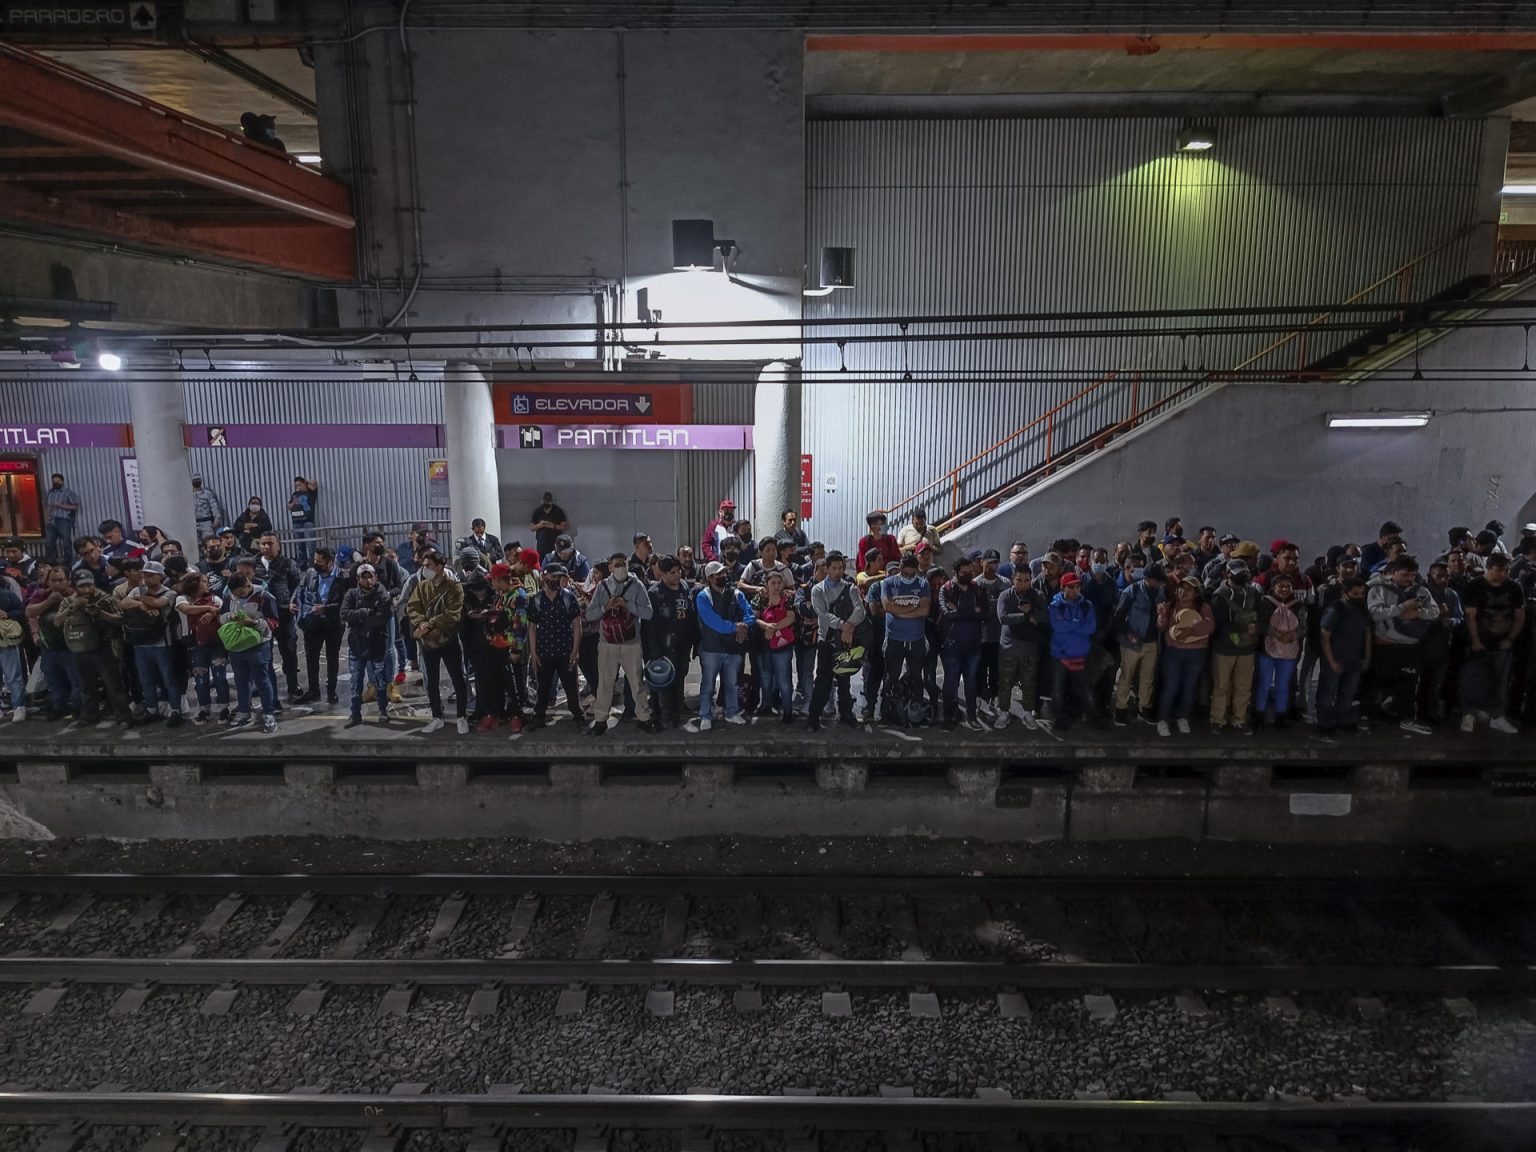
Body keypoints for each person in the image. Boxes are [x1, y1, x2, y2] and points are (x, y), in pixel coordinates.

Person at [1367, 555, 1438, 735]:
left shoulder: (1421, 590)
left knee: (1409, 683)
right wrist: (1401, 608)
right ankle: (1368, 718)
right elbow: (1374, 613)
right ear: (1392, 573)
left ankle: (1407, 719)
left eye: (1413, 575)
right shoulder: (1378, 589)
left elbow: (1435, 612)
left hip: (1411, 646)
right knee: (1377, 683)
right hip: (1386, 644)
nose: (1410, 579)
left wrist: (1418, 613)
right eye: (1405, 575)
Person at [585, 552, 654, 735]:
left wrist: (627, 605)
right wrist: (605, 608)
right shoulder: (602, 587)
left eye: (623, 564)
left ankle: (644, 718)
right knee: (605, 683)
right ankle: (601, 720)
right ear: (610, 567)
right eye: (617, 564)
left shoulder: (637, 585)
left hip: (631, 642)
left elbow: (648, 613)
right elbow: (589, 615)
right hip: (607, 643)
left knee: (637, 682)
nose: (621, 567)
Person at [1460, 553, 1524, 734]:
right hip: (1479, 640)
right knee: (1473, 678)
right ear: (1489, 568)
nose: (1503, 574)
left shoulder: (1513, 588)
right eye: (1499, 570)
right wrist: (1475, 640)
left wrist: (1510, 638)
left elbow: (1519, 616)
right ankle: (1469, 714)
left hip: (1502, 641)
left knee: (1500, 680)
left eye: (1506, 570)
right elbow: (1470, 616)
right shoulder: (1475, 586)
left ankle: (1496, 716)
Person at [407, 548, 469, 735]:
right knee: (431, 681)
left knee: (458, 678)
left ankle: (461, 716)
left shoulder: (454, 586)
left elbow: (453, 614)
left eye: (429, 565)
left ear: (440, 566)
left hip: (448, 639)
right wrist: (420, 624)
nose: (425, 568)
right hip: (428, 643)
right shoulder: (422, 586)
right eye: (424, 565)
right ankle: (437, 717)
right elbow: (412, 607)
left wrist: (428, 624)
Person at [806, 551, 866, 732]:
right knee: (822, 681)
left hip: (847, 642)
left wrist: (849, 626)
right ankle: (813, 717)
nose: (838, 571)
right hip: (827, 641)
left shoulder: (851, 588)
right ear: (827, 569)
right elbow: (822, 614)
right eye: (834, 568)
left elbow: (860, 611)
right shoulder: (817, 590)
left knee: (845, 679)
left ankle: (846, 713)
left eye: (841, 567)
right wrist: (843, 625)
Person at [694, 560, 755, 731]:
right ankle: (705, 715)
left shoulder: (736, 594)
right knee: (708, 684)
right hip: (712, 648)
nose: (722, 576)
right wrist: (735, 627)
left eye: (723, 573)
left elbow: (749, 612)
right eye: (718, 574)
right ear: (709, 578)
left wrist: (745, 625)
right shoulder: (703, 597)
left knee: (732, 682)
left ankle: (731, 712)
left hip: (734, 647)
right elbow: (712, 621)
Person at [121, 560, 182, 727]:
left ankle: (175, 710)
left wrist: (139, 599)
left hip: (163, 643)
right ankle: (151, 709)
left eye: (150, 575)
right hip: (140, 642)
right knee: (145, 679)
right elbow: (122, 603)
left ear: (160, 576)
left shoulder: (169, 593)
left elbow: (158, 603)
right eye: (145, 575)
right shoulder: (138, 590)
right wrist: (141, 604)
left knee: (168, 678)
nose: (147, 578)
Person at [219, 574, 279, 732]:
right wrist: (230, 616)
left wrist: (253, 622)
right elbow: (221, 617)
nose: (239, 596)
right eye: (236, 594)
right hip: (236, 647)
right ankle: (244, 714)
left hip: (258, 645)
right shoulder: (228, 597)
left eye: (242, 592)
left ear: (248, 583)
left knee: (262, 680)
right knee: (241, 681)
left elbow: (274, 621)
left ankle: (268, 715)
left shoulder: (264, 597)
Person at [1155, 577, 1214, 737]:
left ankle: (1183, 717)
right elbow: (1161, 626)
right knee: (1171, 686)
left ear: (1196, 593)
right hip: (1173, 652)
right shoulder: (1170, 605)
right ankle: (1162, 719)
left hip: (1196, 653)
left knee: (1190, 687)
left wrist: (1192, 630)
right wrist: (1161, 616)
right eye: (1181, 588)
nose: (1184, 592)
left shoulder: (1203, 607)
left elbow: (1210, 625)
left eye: (1189, 589)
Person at [644, 555, 697, 729]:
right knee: (664, 682)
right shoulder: (654, 593)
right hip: (664, 645)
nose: (677, 575)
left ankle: (679, 707)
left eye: (678, 571)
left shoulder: (683, 587)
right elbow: (650, 625)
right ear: (663, 574)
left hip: (682, 643)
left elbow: (690, 614)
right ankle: (666, 715)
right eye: (673, 572)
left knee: (680, 677)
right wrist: (655, 651)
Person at [293, 546, 351, 706]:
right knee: (311, 658)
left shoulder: (344, 577)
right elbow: (300, 588)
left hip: (333, 624)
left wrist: (326, 608)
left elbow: (346, 602)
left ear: (330, 562)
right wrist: (293, 602)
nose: (316, 564)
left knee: (332, 658)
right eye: (315, 561)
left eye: (319, 561)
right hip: (313, 623)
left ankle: (331, 691)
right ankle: (313, 691)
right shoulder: (311, 573)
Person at [1209, 558, 1262, 734]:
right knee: (1222, 686)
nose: (1242, 576)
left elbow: (1261, 615)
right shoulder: (1219, 595)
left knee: (1243, 686)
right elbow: (1220, 623)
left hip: (1247, 649)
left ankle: (1239, 719)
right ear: (1227, 574)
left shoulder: (1254, 593)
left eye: (1244, 573)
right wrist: (1242, 631)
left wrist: (1254, 628)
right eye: (1237, 573)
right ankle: (1218, 719)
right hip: (1224, 648)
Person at [340, 563, 394, 729]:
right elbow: (344, 614)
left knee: (380, 679)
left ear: (375, 577)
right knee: (356, 681)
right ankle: (355, 714)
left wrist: (361, 618)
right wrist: (365, 612)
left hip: (377, 644)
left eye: (370, 576)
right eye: (364, 577)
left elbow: (384, 615)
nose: (368, 580)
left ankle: (383, 710)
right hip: (357, 645)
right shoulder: (352, 593)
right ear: (358, 579)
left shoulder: (382, 593)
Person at [1109, 562, 1165, 725]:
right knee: (1127, 676)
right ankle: (1121, 708)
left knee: (1148, 677)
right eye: (1157, 580)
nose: (1159, 583)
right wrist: (1129, 633)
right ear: (1148, 579)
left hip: (1152, 641)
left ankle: (1144, 707)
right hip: (1132, 642)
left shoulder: (1160, 591)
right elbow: (1118, 617)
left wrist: (1162, 618)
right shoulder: (1131, 591)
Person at [1316, 577, 1373, 735]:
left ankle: (1343, 720)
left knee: (1348, 692)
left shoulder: (1362, 609)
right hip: (1336, 658)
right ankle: (1324, 722)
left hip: (1354, 659)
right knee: (1328, 691)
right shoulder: (1336, 609)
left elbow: (1367, 632)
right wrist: (1331, 661)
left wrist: (1367, 656)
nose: (1360, 597)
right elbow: (1325, 635)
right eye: (1355, 594)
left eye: (1362, 593)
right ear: (1345, 593)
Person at [938, 554, 988, 730]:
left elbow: (985, 614)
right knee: (950, 683)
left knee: (971, 682)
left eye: (970, 572)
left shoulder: (978, 588)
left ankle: (972, 716)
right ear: (956, 572)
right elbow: (947, 613)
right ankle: (948, 717)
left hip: (973, 643)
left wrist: (960, 610)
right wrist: (971, 612)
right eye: (964, 572)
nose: (968, 575)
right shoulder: (947, 589)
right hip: (952, 643)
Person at [26, 567, 81, 720]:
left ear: (68, 580)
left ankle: (78, 709)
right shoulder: (41, 594)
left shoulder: (75, 594)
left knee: (76, 681)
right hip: (49, 647)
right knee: (54, 681)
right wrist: (48, 601)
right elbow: (30, 612)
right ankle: (59, 708)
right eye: (53, 580)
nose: (57, 584)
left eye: (61, 580)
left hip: (72, 647)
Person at [252, 533, 302, 701]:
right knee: (263, 654)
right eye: (263, 543)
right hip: (261, 616)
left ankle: (293, 684)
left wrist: (292, 603)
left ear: (278, 545)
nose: (266, 546)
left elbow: (297, 586)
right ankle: (264, 687)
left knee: (288, 650)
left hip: (284, 615)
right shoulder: (253, 564)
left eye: (270, 543)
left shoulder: (288, 563)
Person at [995, 565, 1045, 730]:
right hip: (1009, 647)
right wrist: (1025, 616)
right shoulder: (1005, 596)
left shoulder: (1037, 596)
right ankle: (1004, 712)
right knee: (1005, 682)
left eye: (1026, 580)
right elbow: (1003, 618)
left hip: (1030, 648)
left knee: (1029, 682)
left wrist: (1032, 613)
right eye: (1019, 580)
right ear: (1012, 580)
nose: (1023, 584)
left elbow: (1045, 616)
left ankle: (1028, 713)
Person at [175, 572, 229, 723]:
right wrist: (210, 609)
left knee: (220, 676)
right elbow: (186, 609)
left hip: (216, 642)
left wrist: (213, 613)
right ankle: (204, 708)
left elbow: (224, 610)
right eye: (203, 581)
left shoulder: (215, 598)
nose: (207, 584)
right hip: (196, 644)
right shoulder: (183, 598)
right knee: (200, 679)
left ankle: (224, 707)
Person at [1254, 573, 1307, 729]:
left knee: (1282, 684)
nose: (1285, 589)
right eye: (1281, 586)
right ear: (1273, 587)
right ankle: (1259, 715)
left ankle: (1280, 716)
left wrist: (1293, 636)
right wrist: (1276, 634)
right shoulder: (1264, 603)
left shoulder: (1298, 605)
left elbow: (1304, 626)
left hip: (1289, 650)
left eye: (1288, 587)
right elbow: (1260, 623)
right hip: (1266, 650)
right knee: (1264, 682)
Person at [1046, 571, 1097, 731]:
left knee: (1085, 689)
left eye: (1078, 587)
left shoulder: (1087, 605)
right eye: (1072, 587)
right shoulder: (1055, 606)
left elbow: (1091, 627)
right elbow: (1057, 627)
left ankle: (1091, 717)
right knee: (1058, 689)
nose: (1076, 590)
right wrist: (1078, 624)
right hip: (1060, 654)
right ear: (1063, 588)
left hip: (1081, 653)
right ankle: (1060, 719)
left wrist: (1070, 624)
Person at [755, 570, 798, 724]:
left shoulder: (789, 599)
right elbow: (754, 617)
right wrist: (766, 626)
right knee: (765, 677)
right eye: (773, 583)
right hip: (763, 644)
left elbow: (791, 618)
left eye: (779, 583)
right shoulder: (760, 598)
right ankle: (766, 705)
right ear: (766, 584)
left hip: (783, 646)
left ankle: (787, 711)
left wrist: (774, 628)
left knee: (783, 679)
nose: (776, 586)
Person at [43, 473, 81, 563]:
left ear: (62, 481)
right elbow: (45, 505)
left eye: (57, 481)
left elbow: (76, 506)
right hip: (50, 520)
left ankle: (68, 561)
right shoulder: (49, 493)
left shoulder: (68, 493)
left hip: (63, 520)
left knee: (66, 542)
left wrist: (61, 505)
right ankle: (51, 561)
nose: (55, 483)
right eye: (54, 481)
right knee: (49, 542)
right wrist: (46, 517)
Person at [529, 492, 570, 558]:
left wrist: (553, 526)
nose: (546, 503)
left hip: (555, 543)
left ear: (551, 501)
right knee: (542, 562)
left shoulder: (558, 511)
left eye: (548, 501)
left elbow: (564, 527)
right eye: (545, 501)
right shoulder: (538, 511)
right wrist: (540, 525)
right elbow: (532, 528)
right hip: (541, 544)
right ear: (542, 501)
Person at [190, 475, 225, 543]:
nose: (196, 482)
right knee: (196, 544)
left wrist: (217, 519)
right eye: (194, 481)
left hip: (207, 523)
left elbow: (214, 506)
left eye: (198, 480)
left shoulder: (207, 494)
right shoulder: (188, 495)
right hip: (194, 524)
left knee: (209, 541)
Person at [287, 476, 318, 553]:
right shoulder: (295, 494)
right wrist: (293, 502)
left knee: (311, 544)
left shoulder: (310, 492)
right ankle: (302, 563)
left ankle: (312, 562)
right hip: (296, 521)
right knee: (300, 545)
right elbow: (289, 507)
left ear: (304, 483)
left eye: (299, 485)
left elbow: (314, 483)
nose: (298, 487)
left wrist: (306, 481)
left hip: (307, 521)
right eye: (296, 486)